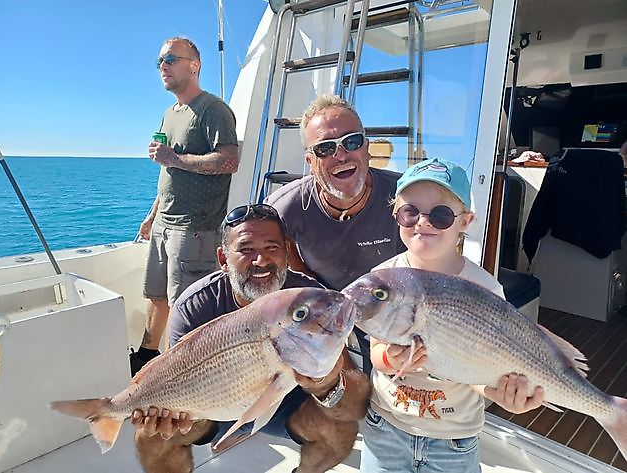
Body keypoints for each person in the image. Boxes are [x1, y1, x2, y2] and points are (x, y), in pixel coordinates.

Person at [132, 203, 371, 473]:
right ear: (223, 259)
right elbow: (172, 376)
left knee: (340, 430)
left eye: (272, 248)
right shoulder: (194, 305)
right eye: (246, 250)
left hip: (285, 402)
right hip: (210, 403)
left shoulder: (311, 300)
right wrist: (184, 419)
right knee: (152, 437)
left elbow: (353, 401)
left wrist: (326, 386)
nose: (261, 261)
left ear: (286, 253)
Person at [359, 157, 545, 473]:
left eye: (442, 215)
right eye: (410, 212)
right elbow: (376, 351)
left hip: (453, 442)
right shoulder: (382, 281)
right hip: (385, 429)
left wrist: (500, 393)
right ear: (396, 216)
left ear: (465, 222)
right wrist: (391, 359)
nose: (423, 222)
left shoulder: (484, 288)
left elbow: (477, 374)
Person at [265, 94, 405, 374]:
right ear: (309, 161)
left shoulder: (405, 196)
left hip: (394, 311)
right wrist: (322, 300)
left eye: (351, 141)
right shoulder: (284, 209)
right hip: (324, 317)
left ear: (366, 148)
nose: (340, 155)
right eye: (325, 148)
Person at [131, 37, 240, 376]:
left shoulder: (213, 109)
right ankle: (147, 359)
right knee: (157, 297)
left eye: (169, 59)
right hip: (164, 223)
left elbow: (229, 161)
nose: (162, 66)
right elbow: (169, 173)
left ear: (194, 65)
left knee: (186, 305)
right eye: (159, 61)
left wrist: (173, 157)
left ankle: (183, 374)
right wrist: (151, 218)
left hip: (195, 227)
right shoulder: (169, 114)